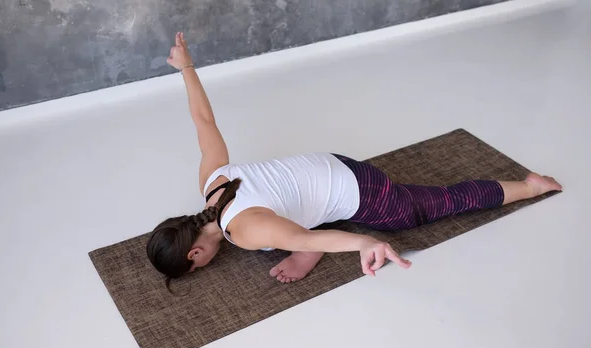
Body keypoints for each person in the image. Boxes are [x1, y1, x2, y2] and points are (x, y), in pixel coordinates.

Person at [147, 33, 562, 286]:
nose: (203, 269)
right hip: (328, 165)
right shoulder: (212, 182)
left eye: (197, 270)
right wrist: (186, 66)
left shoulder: (246, 230)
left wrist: (369, 242)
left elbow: (310, 239)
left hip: (364, 191)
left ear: (195, 255)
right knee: (279, 238)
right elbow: (203, 120)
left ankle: (529, 185)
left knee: (426, 207)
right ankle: (312, 229)